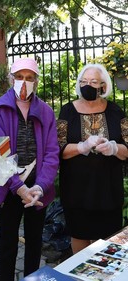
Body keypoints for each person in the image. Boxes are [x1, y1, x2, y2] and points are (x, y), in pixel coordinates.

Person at [0, 57, 59, 280]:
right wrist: (18, 188)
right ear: (11, 78)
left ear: (36, 81)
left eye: (29, 78)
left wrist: (40, 185)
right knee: (7, 240)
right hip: (9, 185)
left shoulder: (46, 112)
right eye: (19, 77)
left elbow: (51, 153)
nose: (24, 82)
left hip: (37, 187)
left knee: (35, 240)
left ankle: (32, 278)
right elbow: (0, 155)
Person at [57, 63, 128, 254]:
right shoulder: (67, 111)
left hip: (108, 190)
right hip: (76, 190)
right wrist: (83, 146)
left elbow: (127, 148)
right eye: (83, 81)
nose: (87, 85)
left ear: (103, 86)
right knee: (79, 236)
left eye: (93, 82)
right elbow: (59, 148)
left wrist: (114, 148)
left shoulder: (115, 111)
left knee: (108, 241)